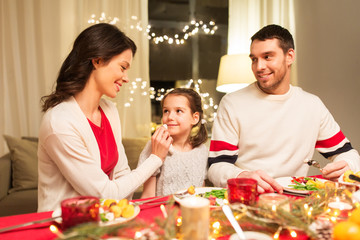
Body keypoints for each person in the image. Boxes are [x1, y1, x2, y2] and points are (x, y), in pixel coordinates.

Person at [208, 24, 360, 193]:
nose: (259, 67)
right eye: (254, 59)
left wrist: (347, 165)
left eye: (267, 57)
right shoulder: (232, 103)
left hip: (298, 203)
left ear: (290, 56)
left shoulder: (312, 105)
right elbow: (216, 167)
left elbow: (349, 153)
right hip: (248, 199)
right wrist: (242, 176)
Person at [37, 23, 172, 212]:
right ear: (97, 60)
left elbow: (122, 173)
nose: (126, 78)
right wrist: (156, 158)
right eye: (123, 67)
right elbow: (105, 194)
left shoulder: (109, 110)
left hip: (105, 219)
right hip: (65, 227)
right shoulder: (59, 123)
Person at [138, 88, 208, 198]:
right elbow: (147, 195)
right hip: (165, 213)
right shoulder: (155, 146)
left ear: (195, 118)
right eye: (166, 111)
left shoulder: (202, 151)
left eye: (178, 111)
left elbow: (201, 190)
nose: (170, 117)